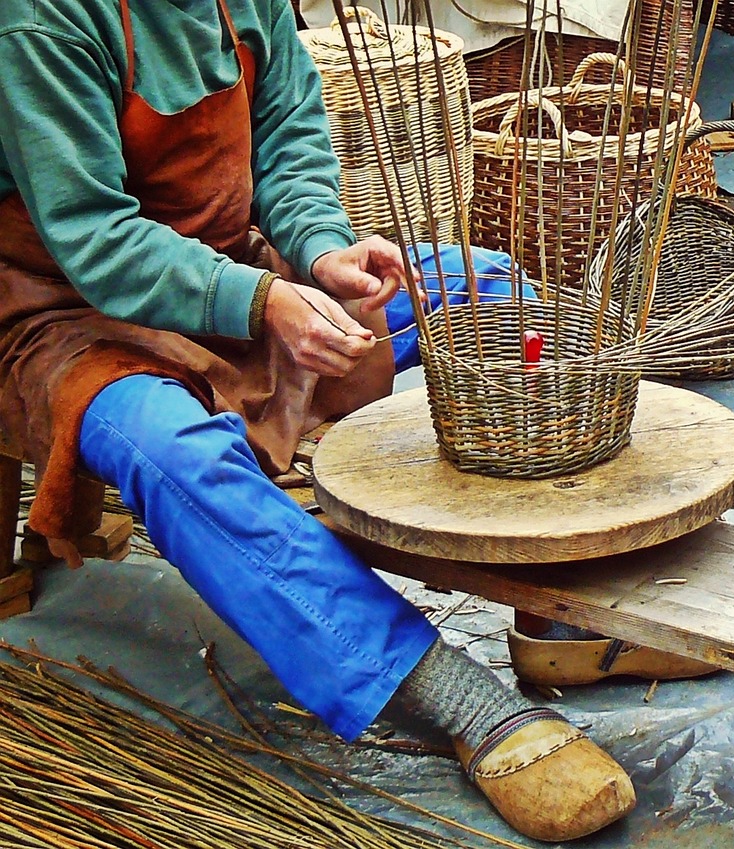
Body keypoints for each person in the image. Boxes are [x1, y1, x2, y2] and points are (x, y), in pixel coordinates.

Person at [0, 0, 634, 841]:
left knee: (496, 294)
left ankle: (574, 609)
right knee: (172, 453)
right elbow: (96, 237)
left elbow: (292, 141)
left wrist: (323, 252)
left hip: (237, 280)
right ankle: (453, 696)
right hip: (67, 316)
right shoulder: (41, 21)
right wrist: (263, 302)